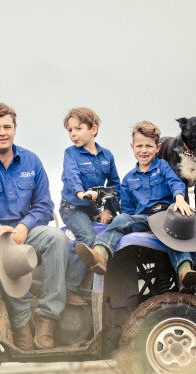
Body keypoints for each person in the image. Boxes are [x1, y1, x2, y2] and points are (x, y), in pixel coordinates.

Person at [0, 102, 70, 351]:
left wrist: (25, 226)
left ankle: (47, 320)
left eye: (7, 127)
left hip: (25, 232)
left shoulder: (32, 161)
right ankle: (20, 321)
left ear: (15, 128)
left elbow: (43, 205)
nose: (2, 132)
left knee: (57, 238)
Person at [76, 121, 196, 291]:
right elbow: (128, 210)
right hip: (144, 220)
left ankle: (185, 273)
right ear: (132, 147)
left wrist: (179, 198)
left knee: (176, 238)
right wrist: (127, 221)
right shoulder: (128, 178)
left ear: (158, 148)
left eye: (149, 146)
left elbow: (175, 183)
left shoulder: (163, 167)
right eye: (139, 146)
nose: (144, 150)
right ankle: (100, 254)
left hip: (166, 217)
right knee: (122, 219)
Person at [59, 107, 120, 305]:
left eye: (78, 129)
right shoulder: (71, 154)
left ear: (93, 129)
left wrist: (108, 209)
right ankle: (70, 288)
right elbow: (72, 176)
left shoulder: (107, 155)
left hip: (94, 209)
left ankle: (98, 285)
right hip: (72, 208)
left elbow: (114, 184)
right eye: (70, 130)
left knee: (111, 234)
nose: (73, 134)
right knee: (87, 237)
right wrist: (81, 194)